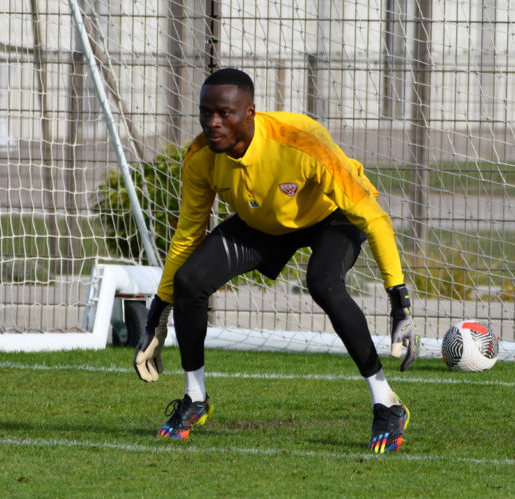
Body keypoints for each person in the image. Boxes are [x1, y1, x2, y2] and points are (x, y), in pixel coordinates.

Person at [134, 68, 417, 453]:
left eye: (224, 113)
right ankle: (195, 398)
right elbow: (187, 237)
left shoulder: (300, 144)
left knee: (323, 281)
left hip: (329, 216)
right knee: (189, 281)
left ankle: (387, 402)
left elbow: (374, 218)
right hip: (263, 222)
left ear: (249, 113)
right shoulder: (201, 157)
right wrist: (157, 315)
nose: (213, 123)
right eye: (205, 112)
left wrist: (399, 303)